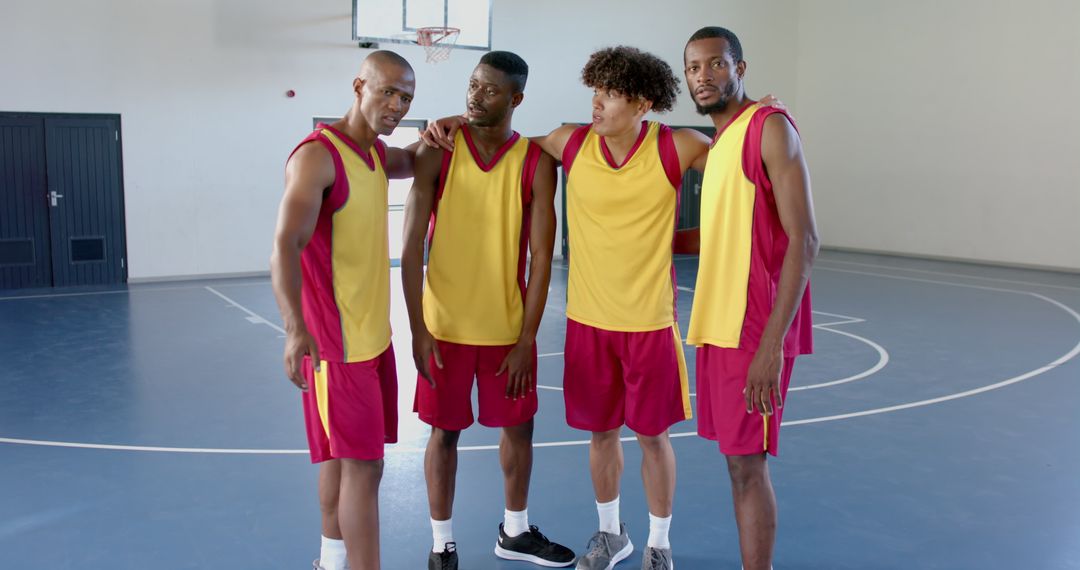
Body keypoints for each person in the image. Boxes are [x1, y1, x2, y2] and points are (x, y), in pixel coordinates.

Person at [401, 50, 575, 570]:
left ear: (516, 98)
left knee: (519, 430)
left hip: (505, 330)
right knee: (443, 433)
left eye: (490, 89)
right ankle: (441, 544)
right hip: (444, 327)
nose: (475, 95)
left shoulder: (537, 162)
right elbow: (410, 248)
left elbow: (544, 257)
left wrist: (527, 339)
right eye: (473, 85)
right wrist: (417, 328)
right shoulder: (439, 151)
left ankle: (515, 532)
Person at [270, 50, 418, 570]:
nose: (397, 105)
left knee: (341, 459)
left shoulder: (377, 154)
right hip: (338, 347)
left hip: (374, 338)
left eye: (406, 98)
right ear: (360, 86)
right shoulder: (318, 157)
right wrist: (294, 330)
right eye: (388, 92)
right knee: (365, 468)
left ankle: (331, 562)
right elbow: (284, 246)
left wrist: (448, 129)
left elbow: (416, 158)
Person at [682, 26, 818, 570]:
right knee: (736, 463)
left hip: (754, 328)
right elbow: (726, 235)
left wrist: (770, 346)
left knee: (748, 467)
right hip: (717, 325)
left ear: (740, 67)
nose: (705, 75)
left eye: (716, 64)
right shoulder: (719, 146)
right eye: (694, 67)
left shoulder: (769, 127)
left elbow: (804, 239)